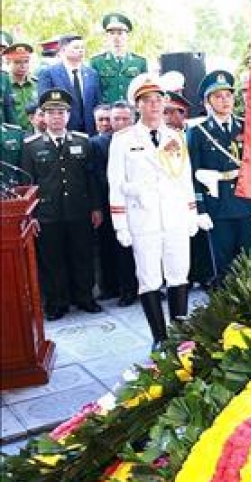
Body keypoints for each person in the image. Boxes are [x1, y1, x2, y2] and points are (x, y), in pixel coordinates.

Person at [108, 75, 203, 346]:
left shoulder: (176, 136)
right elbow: (115, 185)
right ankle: (159, 338)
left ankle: (180, 336)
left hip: (174, 215)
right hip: (143, 217)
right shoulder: (123, 139)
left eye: (158, 100)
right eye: (147, 101)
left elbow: (185, 178)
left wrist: (191, 213)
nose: (154, 106)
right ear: (137, 106)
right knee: (149, 278)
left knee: (178, 274)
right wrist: (121, 224)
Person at [20, 89, 103, 320]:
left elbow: (90, 179)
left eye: (61, 112)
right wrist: (31, 215)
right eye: (51, 112)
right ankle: (57, 303)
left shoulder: (82, 142)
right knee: (52, 260)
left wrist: (95, 208)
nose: (57, 116)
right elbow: (27, 183)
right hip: (47, 213)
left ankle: (85, 297)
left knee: (82, 255)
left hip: (79, 210)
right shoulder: (30, 146)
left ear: (68, 115)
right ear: (43, 117)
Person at [188, 70, 251, 283]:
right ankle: (226, 306)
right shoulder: (198, 132)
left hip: (244, 201)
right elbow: (192, 172)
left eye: (228, 95)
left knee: (247, 258)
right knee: (223, 261)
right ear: (208, 101)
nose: (225, 100)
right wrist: (200, 209)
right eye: (218, 96)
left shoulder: (246, 127)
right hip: (216, 204)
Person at [89, 100, 138, 305]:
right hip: (112, 203)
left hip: (140, 203)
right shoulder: (99, 144)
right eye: (116, 119)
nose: (120, 123)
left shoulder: (142, 138)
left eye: (125, 118)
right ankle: (126, 290)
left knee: (143, 246)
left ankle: (148, 287)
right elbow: (96, 177)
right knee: (120, 250)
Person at [38, 34, 101, 135]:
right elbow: (44, 103)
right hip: (63, 129)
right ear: (63, 50)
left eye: (82, 48)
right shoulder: (49, 73)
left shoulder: (91, 73)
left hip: (90, 129)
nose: (80, 51)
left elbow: (97, 102)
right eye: (76, 47)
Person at [89, 12, 148, 106]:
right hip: (108, 114)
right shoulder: (96, 62)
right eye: (112, 33)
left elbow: (144, 91)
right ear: (106, 36)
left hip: (132, 113)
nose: (116, 37)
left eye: (120, 33)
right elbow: (94, 93)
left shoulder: (140, 62)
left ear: (127, 36)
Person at [4, 40, 38, 131]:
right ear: (8, 62)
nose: (23, 66)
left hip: (34, 133)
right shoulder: (4, 86)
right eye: (17, 62)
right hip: (12, 134)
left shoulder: (36, 84)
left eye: (26, 61)